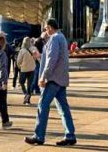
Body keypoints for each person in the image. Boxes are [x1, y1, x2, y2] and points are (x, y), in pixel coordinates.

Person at [24, 18, 77, 147]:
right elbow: (53, 58)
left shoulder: (54, 38)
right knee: (63, 108)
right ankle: (70, 135)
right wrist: (40, 57)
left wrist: (43, 77)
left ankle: (39, 135)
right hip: (61, 79)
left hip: (52, 79)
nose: (45, 31)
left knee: (43, 105)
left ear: (50, 27)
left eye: (46, 29)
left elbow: (51, 59)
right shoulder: (62, 38)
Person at [16, 36, 38, 105]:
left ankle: (25, 94)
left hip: (24, 69)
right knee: (29, 84)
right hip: (32, 69)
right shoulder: (34, 49)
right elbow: (37, 57)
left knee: (21, 82)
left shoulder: (22, 50)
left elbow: (18, 61)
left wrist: (20, 66)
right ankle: (28, 100)